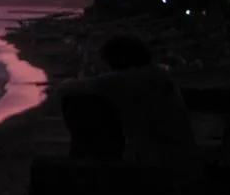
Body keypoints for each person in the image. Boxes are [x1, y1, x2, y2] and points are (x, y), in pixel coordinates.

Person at [59, 34, 196, 169]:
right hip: (181, 156)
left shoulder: (127, 79)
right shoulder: (157, 74)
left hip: (154, 162)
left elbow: (67, 88)